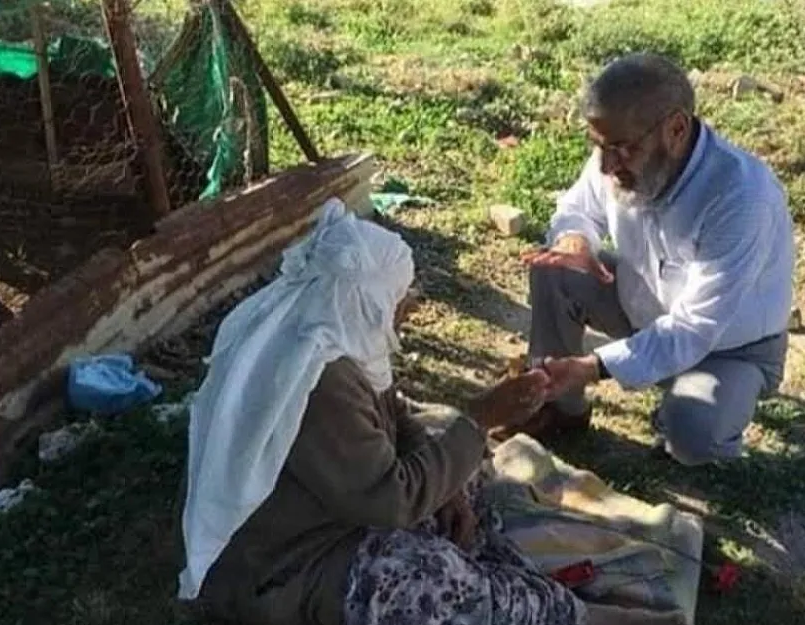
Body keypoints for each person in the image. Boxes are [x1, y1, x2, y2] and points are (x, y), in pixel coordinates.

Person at [178, 200, 678, 625]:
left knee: (455, 462)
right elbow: (390, 502)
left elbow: (393, 413)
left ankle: (509, 589)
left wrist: (451, 486)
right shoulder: (317, 377)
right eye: (396, 299)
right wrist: (481, 417)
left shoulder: (326, 324)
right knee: (428, 579)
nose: (406, 309)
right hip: (282, 566)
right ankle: (550, 610)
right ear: (364, 300)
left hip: (326, 516)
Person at [522, 52, 795, 466]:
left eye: (621, 149)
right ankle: (559, 409)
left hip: (727, 349)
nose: (607, 164)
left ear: (677, 128)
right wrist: (575, 240)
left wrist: (594, 366)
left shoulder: (741, 196)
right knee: (556, 268)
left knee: (693, 440)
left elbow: (694, 326)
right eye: (598, 146)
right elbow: (576, 209)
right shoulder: (616, 151)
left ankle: (692, 409)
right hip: (641, 305)